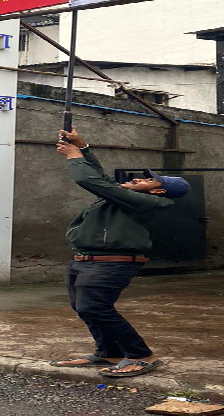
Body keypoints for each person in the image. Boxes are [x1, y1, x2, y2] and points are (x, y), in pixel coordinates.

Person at [49, 127, 191, 378]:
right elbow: (101, 178)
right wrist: (83, 147)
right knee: (83, 307)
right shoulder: (125, 196)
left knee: (95, 307)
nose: (138, 179)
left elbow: (90, 180)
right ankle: (110, 352)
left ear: (158, 191)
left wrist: (74, 156)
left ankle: (141, 355)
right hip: (83, 260)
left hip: (110, 263)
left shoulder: (149, 202)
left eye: (149, 181)